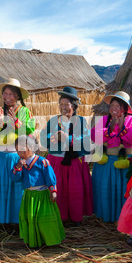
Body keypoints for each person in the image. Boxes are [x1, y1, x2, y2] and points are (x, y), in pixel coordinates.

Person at [0, 78, 36, 226]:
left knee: (15, 189)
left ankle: (15, 221)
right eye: (5, 93)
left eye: (11, 94)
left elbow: (29, 129)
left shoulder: (25, 112)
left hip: (15, 157)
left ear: (18, 96)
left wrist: (15, 122)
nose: (7, 97)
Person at [39, 87, 93, 226]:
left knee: (75, 191)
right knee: (59, 190)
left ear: (74, 106)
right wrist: (53, 137)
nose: (63, 107)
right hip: (56, 161)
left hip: (74, 162)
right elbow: (43, 138)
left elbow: (86, 140)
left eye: (66, 104)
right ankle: (60, 217)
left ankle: (75, 218)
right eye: (61, 104)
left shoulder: (80, 121)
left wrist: (68, 139)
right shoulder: (53, 121)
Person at [91, 91, 132, 223]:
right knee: (105, 190)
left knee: (123, 190)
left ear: (124, 108)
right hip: (106, 162)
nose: (114, 108)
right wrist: (110, 129)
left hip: (125, 163)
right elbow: (95, 136)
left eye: (117, 106)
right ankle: (106, 216)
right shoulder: (105, 120)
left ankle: (125, 218)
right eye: (112, 105)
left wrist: (123, 127)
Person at [11, 135, 65, 248]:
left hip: (42, 196)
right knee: (31, 218)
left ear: (31, 147)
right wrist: (18, 168)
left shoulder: (42, 162)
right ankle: (35, 241)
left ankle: (50, 241)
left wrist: (53, 191)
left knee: (43, 220)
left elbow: (50, 177)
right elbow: (16, 178)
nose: (20, 153)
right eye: (17, 151)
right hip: (29, 196)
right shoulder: (20, 163)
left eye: (22, 150)